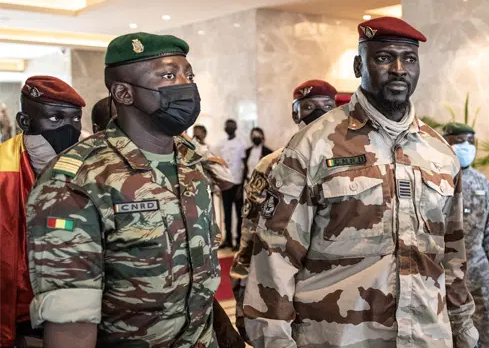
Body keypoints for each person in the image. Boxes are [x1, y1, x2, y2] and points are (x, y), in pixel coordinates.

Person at [243, 17, 478, 348]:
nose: (398, 69)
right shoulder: (313, 146)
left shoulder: (439, 152)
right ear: (358, 65)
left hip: (426, 335)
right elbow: (276, 253)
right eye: (383, 58)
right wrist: (274, 338)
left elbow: (452, 251)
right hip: (339, 336)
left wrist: (461, 324)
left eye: (409, 59)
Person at [25, 32, 243, 348]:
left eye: (188, 74)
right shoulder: (76, 180)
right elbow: (71, 325)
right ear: (124, 93)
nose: (186, 85)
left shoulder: (190, 161)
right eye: (169, 75)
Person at [230, 79, 337, 343]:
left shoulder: (354, 162)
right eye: (309, 106)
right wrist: (244, 295)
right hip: (290, 286)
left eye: (328, 106)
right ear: (295, 112)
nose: (319, 113)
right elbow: (251, 236)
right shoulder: (272, 164)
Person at [0, 75, 85, 348]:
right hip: (18, 316)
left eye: (75, 119)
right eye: (56, 118)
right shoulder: (3, 172)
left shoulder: (92, 167)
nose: (68, 128)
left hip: (78, 313)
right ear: (25, 122)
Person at [443, 122, 489, 348]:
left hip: (477, 271)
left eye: (470, 141)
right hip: (442, 274)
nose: (465, 146)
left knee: (486, 329)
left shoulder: (482, 182)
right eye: (459, 141)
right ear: (446, 142)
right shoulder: (435, 177)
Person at [218, 119, 247, 250]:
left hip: (237, 184)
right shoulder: (222, 144)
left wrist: (241, 186)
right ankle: (228, 240)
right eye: (227, 126)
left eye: (231, 126)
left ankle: (238, 240)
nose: (229, 128)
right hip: (226, 183)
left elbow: (244, 165)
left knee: (239, 214)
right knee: (227, 213)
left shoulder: (241, 144)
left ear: (235, 128)